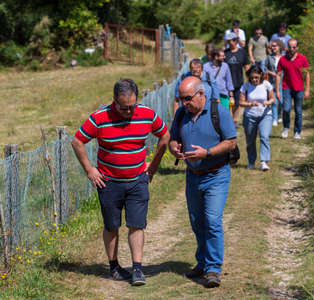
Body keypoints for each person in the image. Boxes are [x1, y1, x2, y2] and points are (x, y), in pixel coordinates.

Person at [71, 79, 170, 286]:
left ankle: (137, 269)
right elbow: (77, 141)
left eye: (132, 106)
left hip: (137, 181)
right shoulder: (100, 118)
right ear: (114, 100)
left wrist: (153, 166)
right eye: (124, 107)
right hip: (108, 183)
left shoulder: (147, 114)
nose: (128, 111)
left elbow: (164, 136)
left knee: (137, 224)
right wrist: (90, 170)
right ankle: (114, 266)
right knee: (111, 225)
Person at [169, 76, 237, 288]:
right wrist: (174, 147)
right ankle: (202, 262)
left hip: (216, 175)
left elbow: (232, 142)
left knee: (212, 221)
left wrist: (206, 153)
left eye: (187, 98)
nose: (184, 103)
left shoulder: (219, 112)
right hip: (193, 176)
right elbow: (172, 138)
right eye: (181, 99)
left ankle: (214, 269)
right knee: (197, 222)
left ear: (201, 94)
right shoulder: (181, 114)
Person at [239, 65, 275, 171]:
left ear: (261, 76)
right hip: (250, 116)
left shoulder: (266, 85)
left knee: (264, 137)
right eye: (252, 78)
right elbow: (241, 102)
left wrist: (268, 102)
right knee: (250, 141)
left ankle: (263, 161)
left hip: (265, 115)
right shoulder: (245, 86)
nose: (254, 80)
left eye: (256, 77)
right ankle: (251, 161)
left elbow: (272, 98)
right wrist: (250, 104)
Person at [276, 39, 310, 139]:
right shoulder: (283, 59)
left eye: (294, 47)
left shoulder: (302, 58)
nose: (292, 49)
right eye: (290, 47)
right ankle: (286, 127)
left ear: (297, 48)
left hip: (299, 88)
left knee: (298, 111)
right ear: (287, 47)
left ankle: (297, 131)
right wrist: (277, 90)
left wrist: (307, 89)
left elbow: (307, 74)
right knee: (286, 109)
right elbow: (278, 75)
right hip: (287, 87)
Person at [224, 32, 250, 127]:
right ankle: (228, 119)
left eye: (234, 40)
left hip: (238, 81)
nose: (232, 42)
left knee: (237, 102)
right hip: (226, 83)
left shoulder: (242, 52)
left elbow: (246, 67)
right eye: (230, 40)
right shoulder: (225, 53)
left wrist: (249, 80)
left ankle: (234, 120)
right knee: (228, 103)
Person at [265, 39, 285, 126]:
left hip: (283, 83)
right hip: (272, 83)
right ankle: (274, 118)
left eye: (274, 46)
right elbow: (264, 68)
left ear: (279, 47)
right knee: (274, 101)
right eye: (272, 46)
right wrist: (271, 73)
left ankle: (280, 114)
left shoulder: (284, 57)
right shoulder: (269, 57)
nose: (272, 48)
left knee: (281, 102)